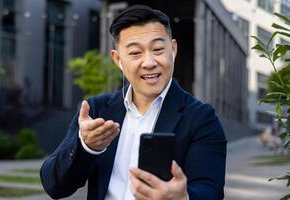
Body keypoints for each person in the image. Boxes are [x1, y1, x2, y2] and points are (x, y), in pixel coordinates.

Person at [40, 5, 226, 200]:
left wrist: (183, 198)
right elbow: (54, 186)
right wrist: (85, 146)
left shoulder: (201, 118)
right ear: (117, 59)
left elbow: (210, 190)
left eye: (158, 49)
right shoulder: (97, 110)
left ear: (173, 49)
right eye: (135, 53)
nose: (149, 62)